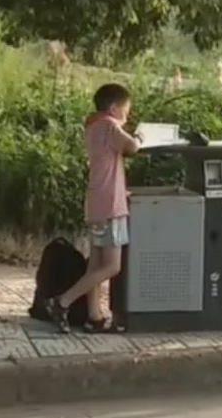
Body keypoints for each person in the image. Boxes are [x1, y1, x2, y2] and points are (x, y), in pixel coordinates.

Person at [46, 83, 141, 333]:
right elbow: (132, 147)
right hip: (111, 206)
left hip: (96, 204)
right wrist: (140, 137)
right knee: (112, 266)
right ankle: (62, 302)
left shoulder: (92, 126)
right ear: (114, 108)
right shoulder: (109, 126)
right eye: (126, 110)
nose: (127, 115)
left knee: (96, 265)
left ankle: (94, 316)